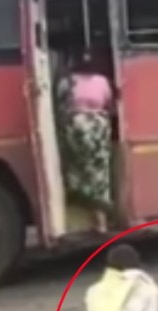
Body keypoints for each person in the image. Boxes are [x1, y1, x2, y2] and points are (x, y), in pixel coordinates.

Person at [54, 51, 114, 231]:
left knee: (77, 172)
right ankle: (100, 220)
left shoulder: (68, 82)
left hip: (76, 129)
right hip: (98, 130)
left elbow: (59, 104)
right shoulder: (102, 81)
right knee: (100, 175)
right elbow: (109, 104)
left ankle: (79, 217)